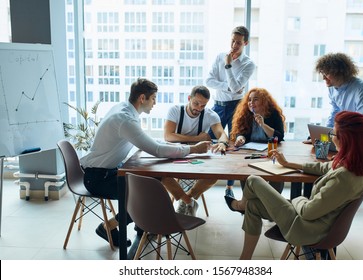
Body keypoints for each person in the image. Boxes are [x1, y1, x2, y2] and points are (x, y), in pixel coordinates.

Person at [225, 111, 363, 260]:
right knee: (253, 206)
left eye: (333, 134)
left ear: (347, 139)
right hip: (316, 220)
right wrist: (289, 164)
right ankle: (244, 260)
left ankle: (239, 205)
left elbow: (308, 211)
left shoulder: (344, 178)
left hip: (306, 228)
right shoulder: (357, 165)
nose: (331, 138)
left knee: (253, 180)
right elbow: (324, 168)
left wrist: (298, 198)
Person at [79, 78, 210, 247]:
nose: (155, 103)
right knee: (147, 193)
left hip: (107, 171)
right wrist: (193, 149)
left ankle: (142, 225)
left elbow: (153, 143)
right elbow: (156, 150)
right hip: (97, 178)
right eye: (154, 98)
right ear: (142, 98)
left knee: (151, 180)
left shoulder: (124, 110)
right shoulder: (125, 120)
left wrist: (179, 146)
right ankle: (109, 226)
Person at [292, 52, 363, 200]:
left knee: (324, 159)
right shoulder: (333, 88)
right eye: (322, 74)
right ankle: (311, 200)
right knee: (316, 154)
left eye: (327, 74)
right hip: (343, 133)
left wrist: (337, 137)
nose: (323, 78)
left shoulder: (361, 89)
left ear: (340, 73)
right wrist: (323, 135)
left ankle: (317, 200)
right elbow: (334, 112)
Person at [161, 85, 229, 216]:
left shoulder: (210, 115)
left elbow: (222, 134)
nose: (198, 108)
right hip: (175, 157)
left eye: (203, 105)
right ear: (189, 98)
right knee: (162, 176)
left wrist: (222, 143)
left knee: (215, 175)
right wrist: (196, 139)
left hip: (196, 158)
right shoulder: (175, 111)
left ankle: (186, 199)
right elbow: (168, 136)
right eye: (196, 103)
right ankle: (186, 201)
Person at [205, 25, 256, 197]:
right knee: (210, 140)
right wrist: (228, 87)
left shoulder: (248, 64)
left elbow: (236, 90)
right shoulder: (220, 56)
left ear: (246, 43)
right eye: (233, 41)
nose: (234, 45)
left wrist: (228, 67)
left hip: (236, 106)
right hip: (218, 105)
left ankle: (229, 187)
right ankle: (204, 178)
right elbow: (209, 81)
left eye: (239, 43)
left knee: (235, 145)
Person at [227, 87, 285, 196]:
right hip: (251, 153)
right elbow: (241, 132)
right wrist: (241, 138)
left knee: (276, 174)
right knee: (244, 171)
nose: (251, 103)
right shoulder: (245, 114)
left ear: (264, 101)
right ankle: (248, 204)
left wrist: (263, 125)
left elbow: (279, 136)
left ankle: (271, 202)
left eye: (255, 99)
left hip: (270, 152)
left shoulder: (273, 114)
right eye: (249, 100)